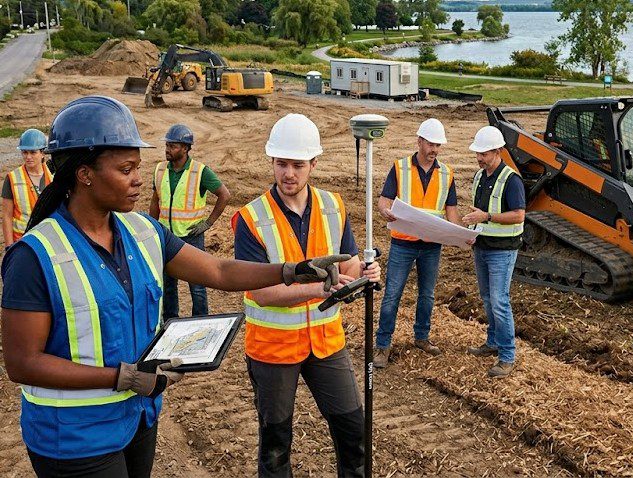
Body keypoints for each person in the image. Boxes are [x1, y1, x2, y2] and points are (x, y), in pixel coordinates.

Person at [1, 96, 348, 478]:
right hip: (73, 437)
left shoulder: (143, 231)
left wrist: (293, 269)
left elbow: (218, 271)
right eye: (126, 169)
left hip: (136, 420)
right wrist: (123, 377)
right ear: (85, 174)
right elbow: (22, 364)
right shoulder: (35, 256)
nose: (139, 179)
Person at [232, 113, 381, 477]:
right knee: (276, 445)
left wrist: (364, 272)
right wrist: (321, 288)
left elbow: (347, 264)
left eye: (298, 165)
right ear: (271, 161)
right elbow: (262, 292)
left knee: (353, 431)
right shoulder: (251, 218)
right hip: (274, 348)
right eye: (281, 164)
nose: (288, 174)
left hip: (327, 343)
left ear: (314, 163)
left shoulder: (334, 206)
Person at [373, 118, 460, 369]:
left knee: (427, 296)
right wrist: (385, 212)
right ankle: (383, 345)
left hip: (432, 244)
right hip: (403, 243)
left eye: (438, 145)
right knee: (392, 296)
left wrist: (458, 233)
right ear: (419, 141)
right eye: (431, 144)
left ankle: (421, 337)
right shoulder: (399, 168)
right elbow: (384, 202)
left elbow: (451, 210)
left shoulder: (447, 173)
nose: (434, 150)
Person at [461, 126, 525, 378]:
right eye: (478, 152)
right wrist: (471, 228)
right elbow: (480, 212)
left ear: (498, 151)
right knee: (488, 300)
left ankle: (507, 356)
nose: (479, 157)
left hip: (502, 250)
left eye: (484, 153)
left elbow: (519, 215)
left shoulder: (511, 180)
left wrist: (486, 216)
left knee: (499, 301)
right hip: (482, 246)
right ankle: (493, 342)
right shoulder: (480, 176)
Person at [148, 124, 231, 318]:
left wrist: (208, 223)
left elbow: (224, 195)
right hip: (166, 236)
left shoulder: (200, 172)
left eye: (173, 146)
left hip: (191, 236)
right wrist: (152, 227)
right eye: (167, 145)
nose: (168, 149)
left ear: (185, 148)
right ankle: (170, 321)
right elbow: (155, 201)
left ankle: (200, 320)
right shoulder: (159, 170)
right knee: (168, 285)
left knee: (198, 287)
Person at [2, 128, 53, 248]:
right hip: (23, 242)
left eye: (33, 152)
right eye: (25, 152)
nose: (28, 157)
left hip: (49, 240)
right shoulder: (12, 179)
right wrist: (9, 247)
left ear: (42, 153)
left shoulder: (53, 177)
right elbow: (7, 216)